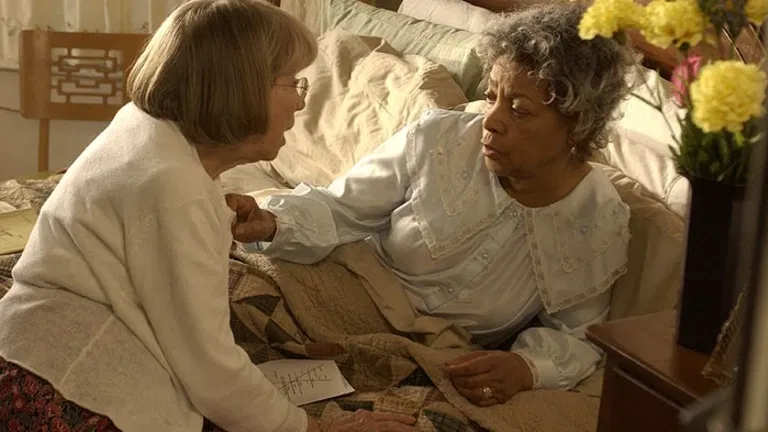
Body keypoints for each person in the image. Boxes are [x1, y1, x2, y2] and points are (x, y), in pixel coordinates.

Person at [0, 1, 416, 431]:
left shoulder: (142, 130)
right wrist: (314, 428)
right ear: (242, 90)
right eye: (293, 82)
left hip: (26, 345)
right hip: (64, 385)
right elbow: (209, 370)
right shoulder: (175, 189)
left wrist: (213, 219)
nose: (298, 102)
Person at [229, 2, 635, 407]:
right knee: (226, 299)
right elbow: (342, 209)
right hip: (349, 288)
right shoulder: (440, 139)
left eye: (518, 110)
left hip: (437, 359)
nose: (491, 120)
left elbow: (577, 335)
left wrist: (525, 367)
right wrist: (273, 222)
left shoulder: (597, 219)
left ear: (578, 124)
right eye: (491, 97)